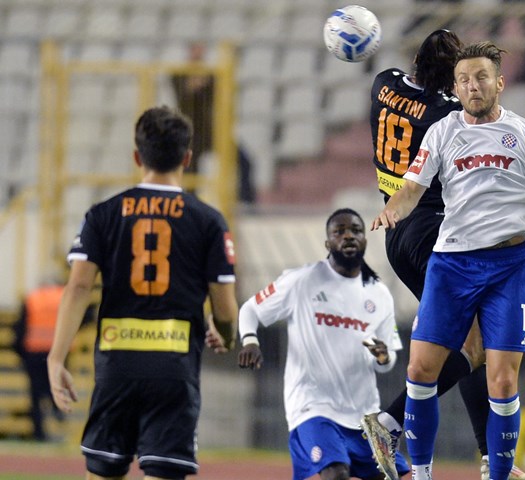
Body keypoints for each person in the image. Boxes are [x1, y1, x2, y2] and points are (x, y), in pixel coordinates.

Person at [364, 29, 525, 480]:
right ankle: (393, 424)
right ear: (452, 84)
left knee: (474, 345)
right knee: (471, 346)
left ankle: (485, 456)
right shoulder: (446, 117)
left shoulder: (385, 84)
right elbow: (501, 149)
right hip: (435, 229)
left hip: (399, 228)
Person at [47, 106, 239, 480]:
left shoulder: (102, 214)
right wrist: (226, 335)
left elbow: (78, 287)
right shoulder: (208, 221)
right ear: (187, 157)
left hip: (116, 366)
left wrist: (56, 358)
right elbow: (226, 309)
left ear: (137, 157)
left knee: (103, 470)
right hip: (173, 369)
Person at [237, 208, 411, 480]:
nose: (348, 236)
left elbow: (387, 363)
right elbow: (250, 309)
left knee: (391, 476)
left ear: (365, 239)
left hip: (363, 415)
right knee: (336, 473)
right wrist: (250, 340)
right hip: (313, 408)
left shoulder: (380, 295)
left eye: (355, 230)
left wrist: (382, 356)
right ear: (327, 243)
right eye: (339, 231)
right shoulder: (301, 281)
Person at [171, 41, 255, 202]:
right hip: (191, 133)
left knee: (244, 161)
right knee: (189, 170)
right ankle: (190, 204)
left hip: (211, 131)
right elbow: (186, 92)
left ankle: (247, 202)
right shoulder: (179, 74)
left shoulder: (212, 75)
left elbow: (218, 91)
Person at [12, 283, 67, 441]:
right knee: (56, 388)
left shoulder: (33, 298)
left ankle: (40, 433)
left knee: (36, 394)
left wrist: (20, 352)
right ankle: (59, 418)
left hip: (34, 351)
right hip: (59, 351)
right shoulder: (63, 295)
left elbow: (21, 326)